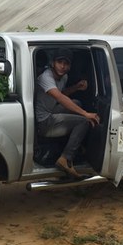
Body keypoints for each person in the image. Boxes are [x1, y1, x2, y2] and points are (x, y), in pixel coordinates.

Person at [35, 48, 100, 178]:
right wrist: (86, 114)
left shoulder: (64, 77)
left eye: (66, 63)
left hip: (51, 110)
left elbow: (62, 94)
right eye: (60, 62)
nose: (63, 66)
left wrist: (76, 87)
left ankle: (74, 142)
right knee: (83, 122)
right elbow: (59, 97)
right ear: (53, 63)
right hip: (44, 121)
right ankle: (65, 158)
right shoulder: (45, 77)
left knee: (76, 103)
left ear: (70, 66)